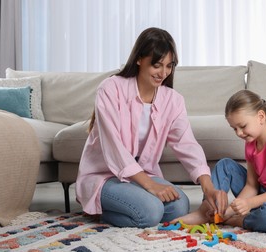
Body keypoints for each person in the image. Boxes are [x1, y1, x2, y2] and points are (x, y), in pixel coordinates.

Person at [75, 27, 226, 228]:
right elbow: (115, 148)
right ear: (139, 59)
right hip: (105, 176)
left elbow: (187, 144)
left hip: (142, 177)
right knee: (150, 211)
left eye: (169, 66)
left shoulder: (173, 100)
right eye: (157, 65)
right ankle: (99, 209)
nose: (163, 73)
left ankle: (130, 207)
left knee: (180, 205)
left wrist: (208, 187)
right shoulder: (111, 88)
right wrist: (151, 186)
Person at [174, 89, 266, 232]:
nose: (239, 133)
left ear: (261, 116)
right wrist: (228, 211)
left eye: (243, 126)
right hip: (262, 195)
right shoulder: (251, 143)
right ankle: (209, 211)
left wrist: (249, 203)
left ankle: (240, 220)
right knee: (225, 165)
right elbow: (252, 186)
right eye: (234, 129)